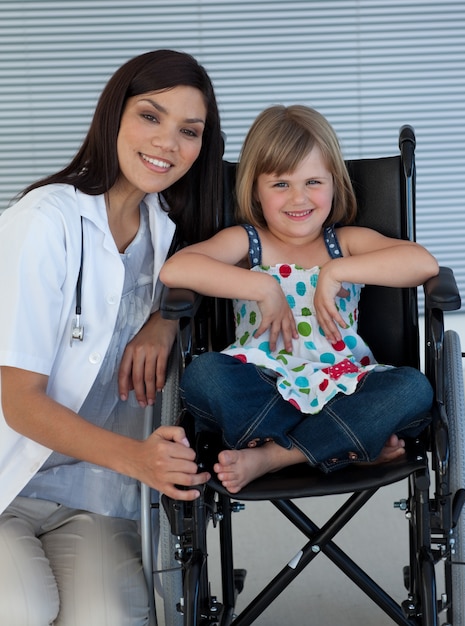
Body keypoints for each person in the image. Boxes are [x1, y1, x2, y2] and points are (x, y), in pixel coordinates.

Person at [0, 49, 221, 626]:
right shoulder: (46, 220)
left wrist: (166, 316)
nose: (168, 143)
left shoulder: (170, 237)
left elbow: (249, 254)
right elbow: (19, 402)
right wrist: (142, 461)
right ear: (113, 116)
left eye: (188, 131)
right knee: (25, 607)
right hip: (7, 482)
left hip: (91, 496)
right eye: (151, 116)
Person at [160, 104, 439, 495]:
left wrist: (337, 271)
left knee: (413, 389)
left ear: (334, 183)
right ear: (255, 189)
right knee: (204, 375)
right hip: (265, 387)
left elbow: (421, 262)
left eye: (313, 182)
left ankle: (276, 456)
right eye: (280, 184)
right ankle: (344, 446)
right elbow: (177, 269)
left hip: (343, 386)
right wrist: (263, 288)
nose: (298, 198)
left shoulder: (343, 243)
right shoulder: (248, 243)